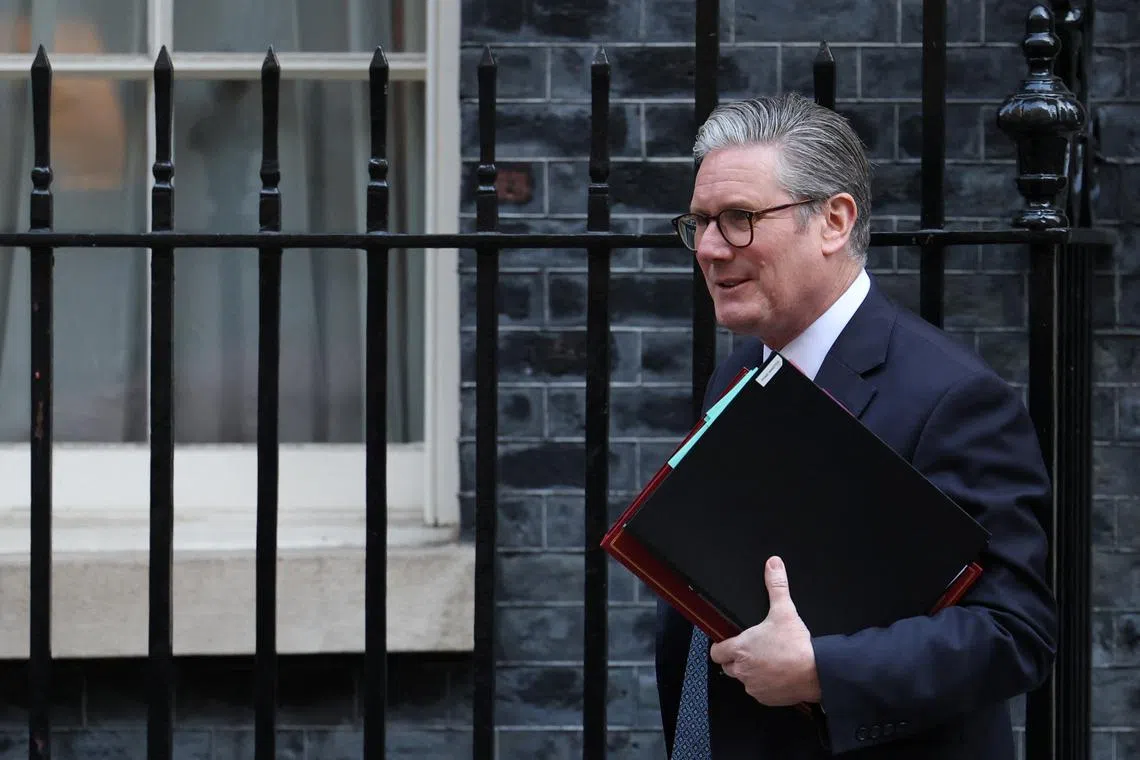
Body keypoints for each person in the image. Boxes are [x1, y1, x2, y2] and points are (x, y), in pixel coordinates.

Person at [655, 92, 1057, 759]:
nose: (708, 248)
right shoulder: (736, 372)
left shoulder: (953, 398)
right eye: (698, 222)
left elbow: (1015, 632)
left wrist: (822, 671)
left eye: (738, 218)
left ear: (835, 220)